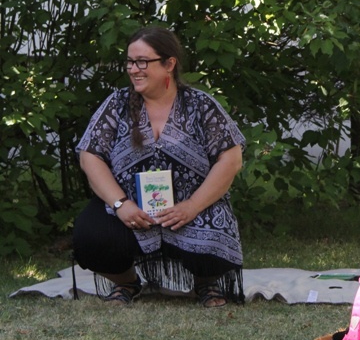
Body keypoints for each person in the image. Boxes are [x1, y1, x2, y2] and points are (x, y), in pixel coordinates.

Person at [72, 26, 246, 307]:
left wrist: (192, 206)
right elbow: (89, 155)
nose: (133, 69)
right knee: (90, 236)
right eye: (129, 61)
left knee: (216, 241)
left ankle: (206, 284)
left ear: (169, 64)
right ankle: (126, 283)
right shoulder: (116, 104)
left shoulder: (200, 104)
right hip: (131, 209)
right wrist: (121, 204)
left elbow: (231, 158)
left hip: (190, 207)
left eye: (142, 61)